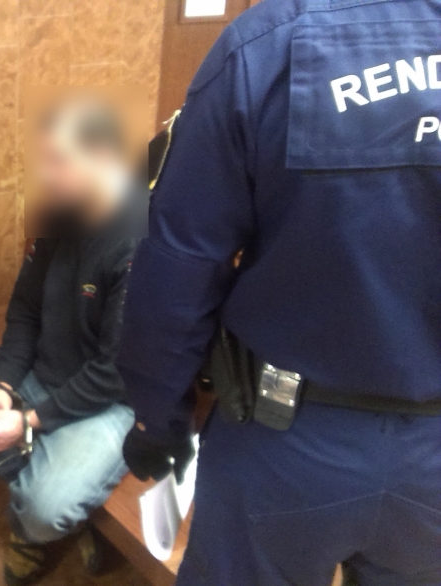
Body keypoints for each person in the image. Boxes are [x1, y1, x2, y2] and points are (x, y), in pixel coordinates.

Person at [116, 0, 441, 584]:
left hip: (286, 441)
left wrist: (157, 420)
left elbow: (178, 274)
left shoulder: (265, 48)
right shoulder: (265, 48)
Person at [0, 94, 146, 586]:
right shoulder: (60, 211)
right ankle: (62, 480)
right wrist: (4, 384)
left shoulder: (137, 241)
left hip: (113, 402)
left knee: (43, 511)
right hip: (45, 372)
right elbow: (25, 310)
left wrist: (28, 422)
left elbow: (115, 372)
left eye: (58, 162)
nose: (45, 176)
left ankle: (39, 521)